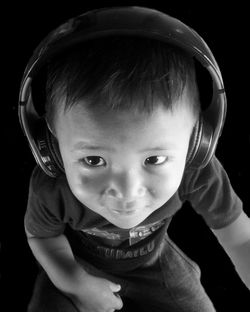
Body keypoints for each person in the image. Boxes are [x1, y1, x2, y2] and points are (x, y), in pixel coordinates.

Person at [20, 7, 250, 312]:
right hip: (73, 265)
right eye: (93, 160)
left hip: (155, 265)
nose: (126, 192)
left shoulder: (197, 171)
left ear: (197, 140)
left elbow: (241, 240)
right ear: (51, 145)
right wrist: (75, 283)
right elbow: (43, 240)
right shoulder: (51, 187)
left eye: (154, 159)